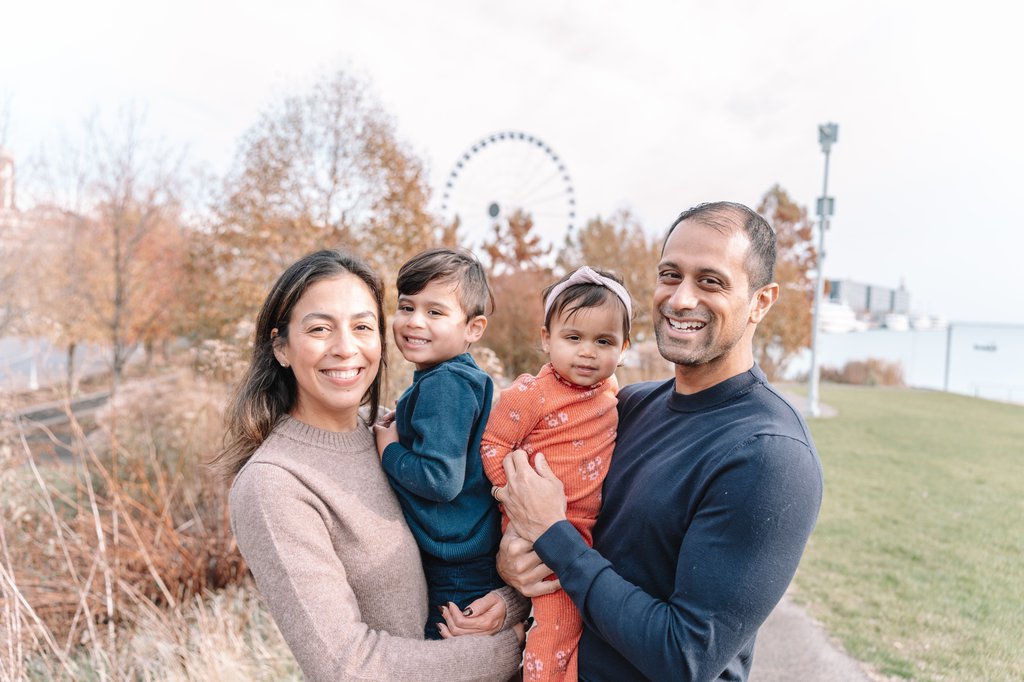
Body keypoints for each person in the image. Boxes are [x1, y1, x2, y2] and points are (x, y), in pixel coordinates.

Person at [493, 202, 825, 681]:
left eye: (710, 281)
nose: (681, 299)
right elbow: (567, 542)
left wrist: (552, 536)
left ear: (761, 300)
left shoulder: (770, 455)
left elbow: (683, 657)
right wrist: (514, 566)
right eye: (670, 275)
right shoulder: (626, 406)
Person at [218, 249, 526, 682]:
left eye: (362, 326)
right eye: (320, 329)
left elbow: (467, 537)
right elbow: (347, 666)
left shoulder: (391, 433)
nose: (346, 348)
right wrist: (510, 645)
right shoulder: (274, 484)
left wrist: (508, 602)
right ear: (281, 346)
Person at [481, 266, 631, 681]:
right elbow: (493, 443)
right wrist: (508, 494)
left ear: (624, 348)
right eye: (573, 338)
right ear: (547, 339)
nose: (588, 352)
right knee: (558, 621)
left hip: (581, 530)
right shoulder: (533, 394)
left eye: (604, 342)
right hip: (537, 525)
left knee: (585, 621)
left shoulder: (610, 393)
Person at [373, 247, 505, 640]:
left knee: (449, 652)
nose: (415, 322)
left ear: (473, 329)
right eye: (406, 306)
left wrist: (388, 448)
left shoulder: (445, 384)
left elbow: (440, 478)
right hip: (462, 555)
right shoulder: (451, 378)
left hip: (455, 565)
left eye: (435, 312)